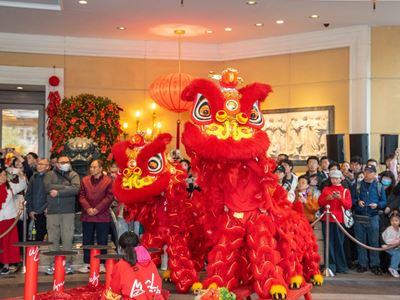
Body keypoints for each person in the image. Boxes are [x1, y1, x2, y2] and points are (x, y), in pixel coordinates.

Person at [43, 155, 80, 275]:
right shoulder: (49, 174)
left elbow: (76, 189)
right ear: (57, 164)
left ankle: (67, 263)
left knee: (67, 238)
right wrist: (66, 188)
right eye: (62, 162)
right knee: (53, 238)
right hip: (53, 211)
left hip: (68, 211)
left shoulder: (73, 174)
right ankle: (53, 263)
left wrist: (58, 192)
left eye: (67, 161)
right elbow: (47, 187)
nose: (65, 163)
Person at [105, 231, 164, 300]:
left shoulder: (121, 265)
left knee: (107, 295)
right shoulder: (150, 262)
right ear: (139, 244)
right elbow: (158, 283)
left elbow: (115, 289)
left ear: (121, 248)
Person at [78, 159, 113, 273]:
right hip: (87, 215)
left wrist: (97, 209)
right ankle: (87, 263)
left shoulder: (108, 181)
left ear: (100, 168)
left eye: (94, 167)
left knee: (102, 240)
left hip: (102, 215)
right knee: (87, 240)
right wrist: (88, 208)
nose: (91, 169)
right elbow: (81, 196)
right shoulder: (85, 180)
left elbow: (109, 197)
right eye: (91, 167)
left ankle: (102, 263)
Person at [353, 164, 387, 275]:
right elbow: (352, 199)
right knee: (360, 242)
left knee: (374, 242)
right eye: (365, 171)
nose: (367, 174)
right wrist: (358, 202)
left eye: (369, 172)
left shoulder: (379, 186)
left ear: (374, 174)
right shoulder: (357, 185)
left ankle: (375, 265)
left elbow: (384, 202)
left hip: (373, 217)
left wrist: (377, 205)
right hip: (359, 217)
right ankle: (362, 264)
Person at [318, 169, 352, 274]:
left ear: (341, 178)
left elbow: (348, 205)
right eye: (333, 178)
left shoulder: (345, 190)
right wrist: (328, 198)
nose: (335, 180)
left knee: (339, 243)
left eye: (337, 178)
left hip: (339, 220)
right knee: (329, 244)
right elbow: (320, 202)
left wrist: (340, 198)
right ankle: (330, 266)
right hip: (327, 219)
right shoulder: (326, 189)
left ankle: (341, 266)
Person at [0, 168, 27, 274]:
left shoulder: (10, 186)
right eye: (0, 175)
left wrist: (21, 176)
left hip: (9, 219)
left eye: (4, 175)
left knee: (7, 243)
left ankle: (6, 264)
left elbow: (22, 185)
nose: (2, 177)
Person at [25, 158, 50, 241]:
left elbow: (53, 194)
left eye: (42, 164)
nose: (39, 166)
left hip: (48, 211)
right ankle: (37, 254)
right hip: (36, 211)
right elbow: (28, 194)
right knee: (38, 236)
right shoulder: (34, 177)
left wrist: (49, 206)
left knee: (50, 236)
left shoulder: (52, 177)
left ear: (48, 167)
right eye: (38, 164)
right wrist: (30, 210)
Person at [382, 213, 400, 278]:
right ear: (390, 222)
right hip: (387, 247)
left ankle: (397, 267)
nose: (394, 222)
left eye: (396, 220)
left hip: (395, 247)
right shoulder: (389, 229)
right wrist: (397, 242)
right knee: (397, 253)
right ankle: (393, 268)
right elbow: (387, 241)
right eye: (392, 221)